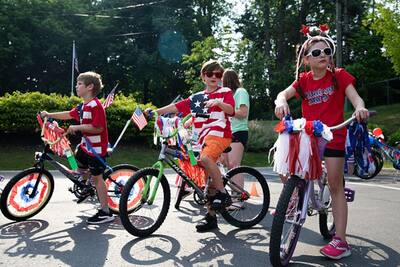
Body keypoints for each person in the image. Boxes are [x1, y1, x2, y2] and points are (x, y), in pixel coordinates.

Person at [274, 25, 369, 260]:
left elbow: (356, 97)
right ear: (306, 59)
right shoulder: (303, 81)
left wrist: (360, 108)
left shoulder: (339, 75)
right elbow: (282, 94)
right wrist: (280, 102)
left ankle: (341, 240)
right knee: (289, 166)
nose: (323, 55)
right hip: (310, 135)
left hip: (334, 134)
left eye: (326, 50)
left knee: (335, 184)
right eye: (316, 53)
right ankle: (293, 195)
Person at [145, 59, 235, 232]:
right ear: (203, 77)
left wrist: (219, 103)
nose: (214, 77)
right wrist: (154, 112)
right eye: (210, 74)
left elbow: (231, 110)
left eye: (218, 74)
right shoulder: (196, 98)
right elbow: (174, 107)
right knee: (206, 175)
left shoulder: (225, 91)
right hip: (203, 139)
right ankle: (211, 217)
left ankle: (224, 194)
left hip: (220, 134)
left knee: (206, 158)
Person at [41, 71, 114, 225]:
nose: (76, 86)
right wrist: (50, 114)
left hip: (97, 149)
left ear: (90, 87)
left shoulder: (95, 105)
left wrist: (78, 127)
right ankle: (86, 187)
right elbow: (69, 114)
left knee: (98, 178)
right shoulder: (83, 106)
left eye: (79, 84)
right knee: (78, 161)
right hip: (86, 147)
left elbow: (98, 128)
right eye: (77, 83)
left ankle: (105, 212)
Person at [222, 69, 250, 210]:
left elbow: (243, 113)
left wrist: (228, 110)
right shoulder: (228, 96)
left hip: (239, 132)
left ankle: (239, 198)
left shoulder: (240, 92)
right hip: (228, 133)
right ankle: (234, 195)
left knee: (234, 165)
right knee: (227, 165)